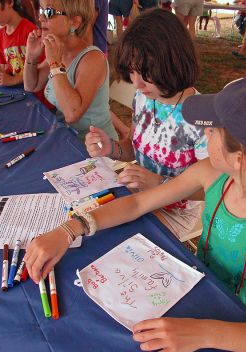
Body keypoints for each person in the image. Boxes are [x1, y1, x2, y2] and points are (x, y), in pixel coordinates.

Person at [24, 73, 246, 352]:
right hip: (188, 286)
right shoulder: (212, 174)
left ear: (241, 159)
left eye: (212, 130)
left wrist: (203, 333)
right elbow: (138, 204)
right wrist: (70, 229)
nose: (204, 133)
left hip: (231, 326)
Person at [85, 8, 207, 240]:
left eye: (145, 72)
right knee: (90, 223)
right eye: (132, 72)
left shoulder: (200, 118)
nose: (137, 83)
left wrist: (160, 182)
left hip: (174, 212)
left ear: (172, 61)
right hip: (135, 194)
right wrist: (111, 148)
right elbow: (135, 147)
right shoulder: (144, 97)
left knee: (114, 240)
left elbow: (211, 188)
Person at [23, 0, 118, 141]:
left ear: (74, 22)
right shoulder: (60, 52)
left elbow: (72, 114)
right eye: (42, 11)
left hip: (98, 149)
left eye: (49, 12)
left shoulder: (92, 58)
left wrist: (55, 64)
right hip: (68, 140)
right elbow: (31, 85)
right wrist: (31, 56)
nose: (40, 18)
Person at [0, 0, 39, 86]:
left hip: (35, 94)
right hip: (16, 93)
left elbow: (42, 68)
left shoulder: (31, 32)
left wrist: (13, 80)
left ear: (9, 2)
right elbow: (6, 68)